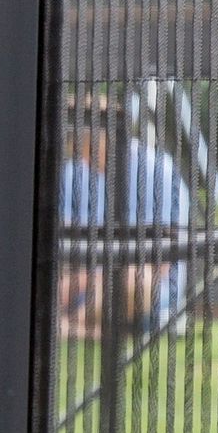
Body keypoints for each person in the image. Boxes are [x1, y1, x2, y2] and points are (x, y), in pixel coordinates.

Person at [56, 100, 194, 337]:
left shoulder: (157, 170)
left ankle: (73, 326)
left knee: (133, 282)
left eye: (88, 147)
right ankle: (87, 328)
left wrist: (92, 277)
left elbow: (161, 259)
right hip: (81, 280)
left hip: (143, 280)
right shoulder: (74, 173)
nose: (84, 158)